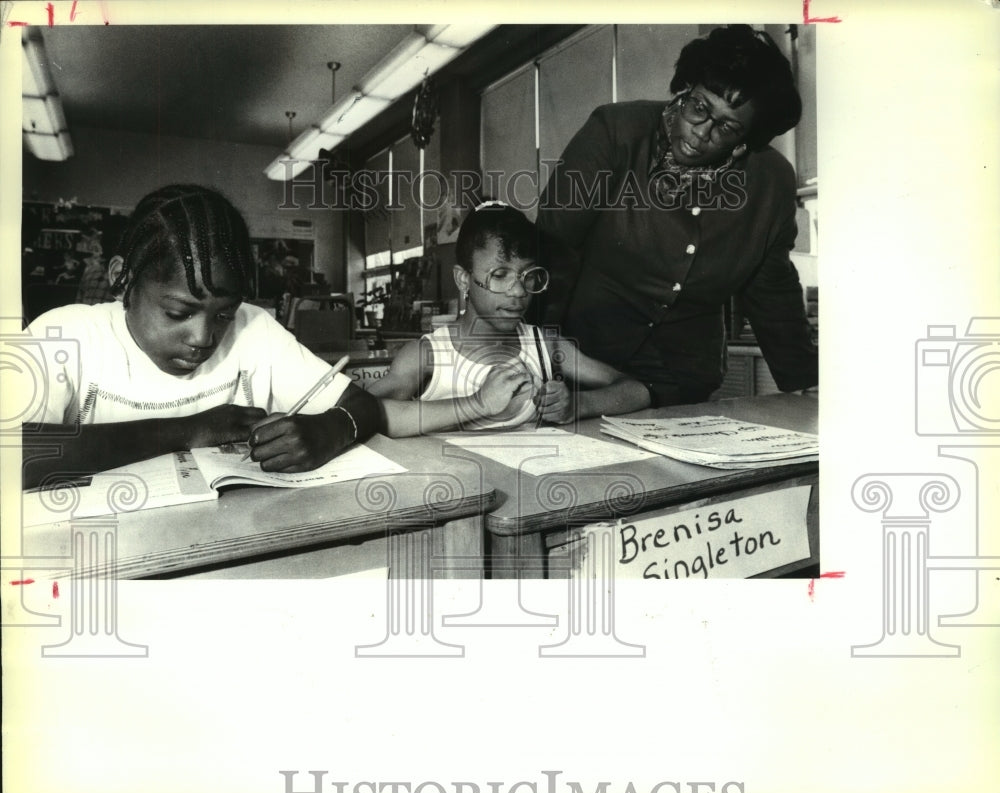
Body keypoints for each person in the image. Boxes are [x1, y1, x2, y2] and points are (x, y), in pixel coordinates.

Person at [21, 184, 377, 489]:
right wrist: (191, 431)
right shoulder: (63, 335)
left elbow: (363, 404)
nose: (203, 337)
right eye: (178, 313)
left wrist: (332, 429)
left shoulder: (255, 329)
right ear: (123, 280)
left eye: (224, 315)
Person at [536, 25, 817, 407]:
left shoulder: (771, 183)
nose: (701, 133)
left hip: (682, 381)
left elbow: (772, 290)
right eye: (699, 108)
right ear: (685, 87)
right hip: (583, 370)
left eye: (727, 127)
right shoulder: (616, 133)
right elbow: (551, 248)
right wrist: (535, 350)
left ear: (748, 140)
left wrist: (805, 382)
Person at [369, 203, 649, 437]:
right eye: (500, 275)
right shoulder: (427, 355)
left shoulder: (544, 344)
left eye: (528, 276)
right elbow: (363, 411)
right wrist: (476, 404)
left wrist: (577, 404)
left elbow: (638, 391)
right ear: (463, 279)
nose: (518, 291)